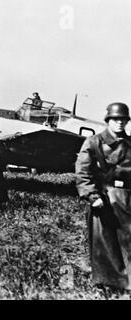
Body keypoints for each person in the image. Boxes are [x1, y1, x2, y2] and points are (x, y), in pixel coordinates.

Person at [76, 102, 131, 291]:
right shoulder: (94, 142)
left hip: (127, 198)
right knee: (104, 242)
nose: (120, 123)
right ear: (108, 120)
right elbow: (83, 173)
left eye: (123, 119)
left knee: (127, 240)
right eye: (115, 119)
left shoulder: (130, 143)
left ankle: (127, 280)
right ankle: (107, 283)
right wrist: (92, 195)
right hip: (104, 198)